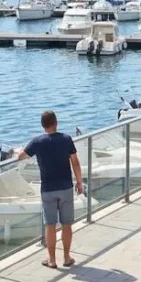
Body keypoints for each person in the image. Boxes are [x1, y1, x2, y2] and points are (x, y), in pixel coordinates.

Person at [17, 111, 84, 269]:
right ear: (56, 123)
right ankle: (67, 257)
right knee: (66, 224)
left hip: (48, 189)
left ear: (42, 125)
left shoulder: (37, 142)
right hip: (66, 187)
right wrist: (79, 182)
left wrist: (19, 151)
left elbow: (21, 156)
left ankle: (52, 260)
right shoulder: (66, 139)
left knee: (50, 225)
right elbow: (75, 162)